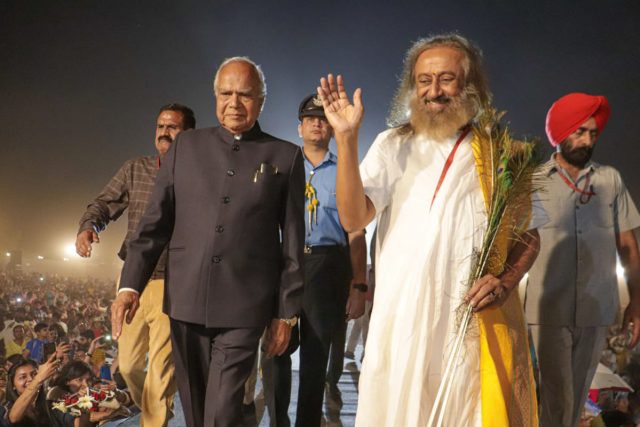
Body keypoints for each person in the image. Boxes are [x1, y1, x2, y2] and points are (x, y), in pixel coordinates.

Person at [317, 33, 544, 426]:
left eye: (446, 79)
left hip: (467, 327)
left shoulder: (501, 154)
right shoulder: (392, 145)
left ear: (469, 86)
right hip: (400, 324)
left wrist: (506, 281)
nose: (433, 91)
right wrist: (347, 139)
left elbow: (530, 234)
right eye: (423, 80)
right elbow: (354, 219)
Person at [111, 56, 305, 427]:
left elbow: (293, 243)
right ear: (215, 96)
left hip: (245, 307)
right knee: (198, 413)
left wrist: (285, 313)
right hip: (185, 302)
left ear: (261, 100)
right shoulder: (185, 148)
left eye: (245, 94)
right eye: (226, 93)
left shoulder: (284, 156)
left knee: (222, 411)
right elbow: (153, 225)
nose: (234, 103)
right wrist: (130, 285)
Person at [75, 103, 196, 426]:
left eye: (173, 127)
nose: (164, 133)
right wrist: (89, 226)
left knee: (160, 368)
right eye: (160, 126)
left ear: (189, 135)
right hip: (133, 282)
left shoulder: (199, 175)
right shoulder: (136, 169)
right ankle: (158, 409)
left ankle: (155, 417)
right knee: (127, 365)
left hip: (174, 282)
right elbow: (104, 203)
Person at [525, 92, 640, 427]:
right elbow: (519, 244)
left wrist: (636, 302)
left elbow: (628, 246)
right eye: (579, 131)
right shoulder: (532, 181)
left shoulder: (610, 179)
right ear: (559, 133)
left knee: (574, 398)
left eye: (593, 133)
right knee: (557, 394)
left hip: (597, 307)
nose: (587, 140)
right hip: (548, 308)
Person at [262, 95, 366, 427]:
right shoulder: (283, 166)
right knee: (275, 349)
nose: (317, 123)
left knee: (315, 357)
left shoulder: (346, 172)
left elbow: (356, 230)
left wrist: (358, 284)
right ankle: (279, 421)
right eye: (310, 119)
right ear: (300, 127)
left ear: (332, 128)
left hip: (328, 266)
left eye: (322, 119)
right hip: (286, 264)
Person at [5, 356, 90, 427]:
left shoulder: (48, 405)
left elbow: (77, 425)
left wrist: (84, 407)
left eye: (34, 374)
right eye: (23, 377)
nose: (30, 379)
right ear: (13, 385)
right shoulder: (7, 409)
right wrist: (38, 379)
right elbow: (13, 418)